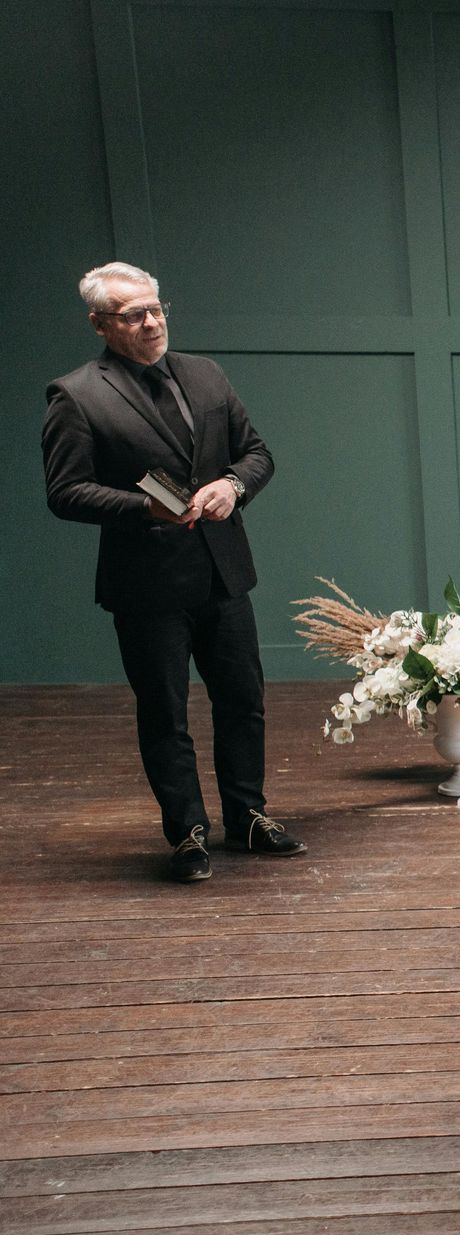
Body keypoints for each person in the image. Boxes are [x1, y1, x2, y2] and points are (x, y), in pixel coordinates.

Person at [41, 262, 303, 883]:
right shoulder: (75, 394)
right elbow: (64, 491)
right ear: (101, 324)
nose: (152, 322)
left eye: (157, 309)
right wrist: (144, 508)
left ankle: (247, 817)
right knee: (165, 712)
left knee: (244, 700)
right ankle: (187, 834)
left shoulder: (206, 374)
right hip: (147, 584)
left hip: (223, 570)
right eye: (134, 315)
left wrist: (234, 485)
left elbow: (257, 453)